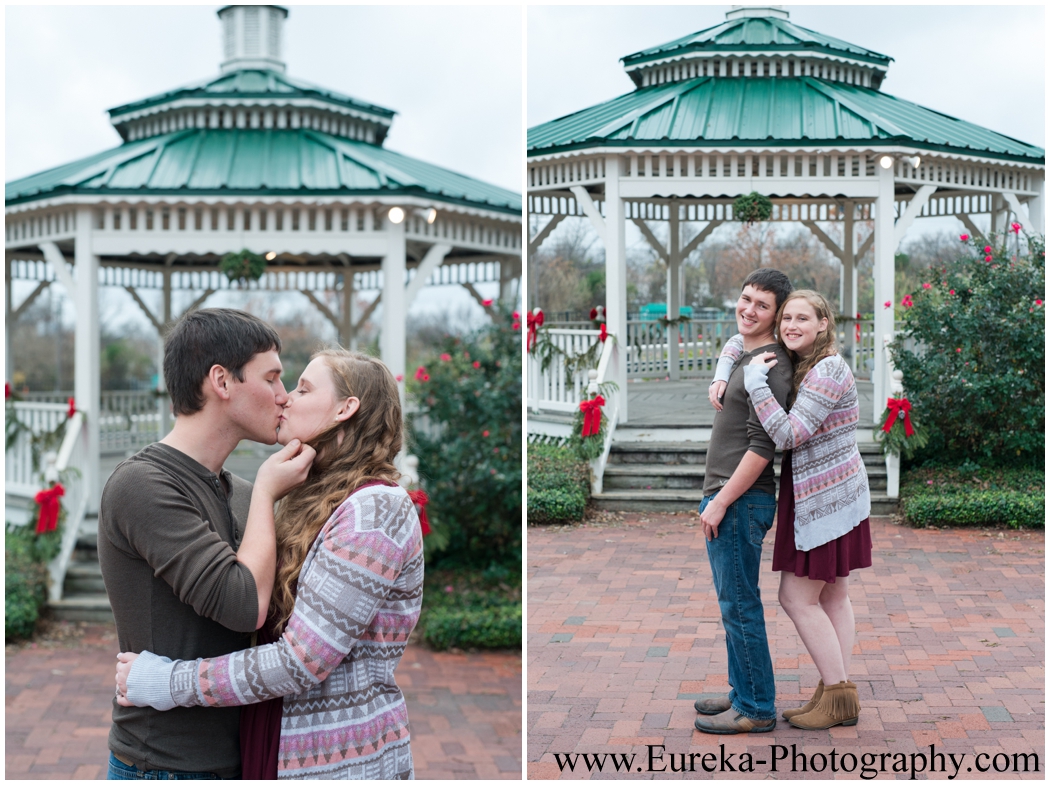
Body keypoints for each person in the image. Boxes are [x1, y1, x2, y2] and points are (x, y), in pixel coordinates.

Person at [115, 348, 425, 780]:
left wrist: (169, 682)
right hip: (281, 744)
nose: (287, 398)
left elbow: (301, 661)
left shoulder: (374, 511)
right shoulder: (316, 498)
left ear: (345, 409)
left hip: (340, 758)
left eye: (303, 387)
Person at [98, 308, 316, 780]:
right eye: (273, 378)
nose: (284, 397)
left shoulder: (237, 491)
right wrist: (267, 491)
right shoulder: (142, 485)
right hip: (166, 765)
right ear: (222, 380)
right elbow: (244, 607)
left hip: (244, 758)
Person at [742, 289, 871, 730]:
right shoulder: (807, 364)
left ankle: (838, 695)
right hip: (831, 494)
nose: (791, 325)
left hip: (824, 498)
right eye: (786, 319)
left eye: (802, 318)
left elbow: (789, 434)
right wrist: (728, 367)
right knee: (834, 594)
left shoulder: (828, 370)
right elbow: (737, 341)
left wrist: (754, 385)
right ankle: (834, 691)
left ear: (823, 323)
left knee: (795, 598)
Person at [692, 269, 793, 735]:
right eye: (745, 298)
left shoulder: (769, 366)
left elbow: (761, 447)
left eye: (762, 305)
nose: (748, 309)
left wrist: (719, 502)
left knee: (741, 605)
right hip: (727, 496)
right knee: (731, 602)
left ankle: (756, 707)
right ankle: (741, 690)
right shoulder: (748, 354)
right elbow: (733, 341)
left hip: (740, 500)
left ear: (777, 314)